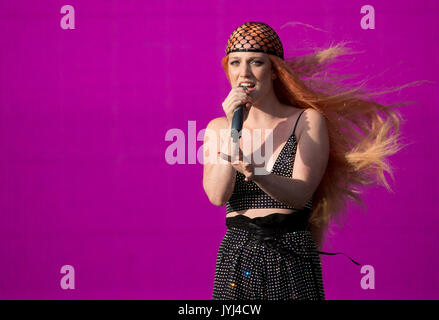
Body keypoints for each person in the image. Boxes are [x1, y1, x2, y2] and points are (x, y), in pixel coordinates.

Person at [203, 21, 414, 300]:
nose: (244, 73)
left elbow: (299, 194)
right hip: (237, 255)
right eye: (235, 63)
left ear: (275, 71)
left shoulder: (306, 120)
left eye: (256, 62)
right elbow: (218, 195)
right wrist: (234, 129)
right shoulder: (218, 127)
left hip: (291, 254)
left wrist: (256, 172)